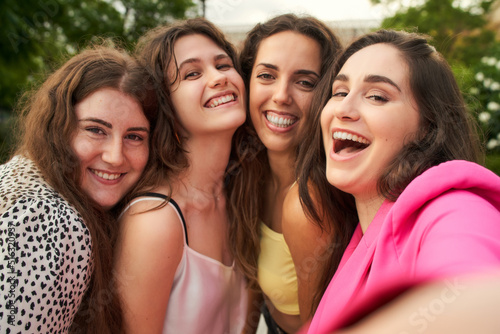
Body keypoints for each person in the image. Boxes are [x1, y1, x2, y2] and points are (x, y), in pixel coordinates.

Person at [296, 29, 500, 333]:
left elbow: (481, 301)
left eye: (377, 96)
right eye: (339, 92)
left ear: (428, 128)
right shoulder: (356, 233)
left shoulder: (456, 210)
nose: (343, 109)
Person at [0, 46, 158, 333]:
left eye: (134, 136)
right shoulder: (51, 220)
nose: (114, 156)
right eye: (96, 130)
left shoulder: (20, 179)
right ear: (57, 128)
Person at [113, 18, 248, 334]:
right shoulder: (154, 221)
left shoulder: (240, 195)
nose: (218, 78)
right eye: (192, 73)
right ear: (166, 105)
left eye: (223, 64)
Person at [226, 14, 347, 334]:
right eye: (267, 75)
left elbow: (317, 327)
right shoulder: (247, 171)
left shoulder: (310, 201)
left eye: (305, 82)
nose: (281, 95)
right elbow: (255, 287)